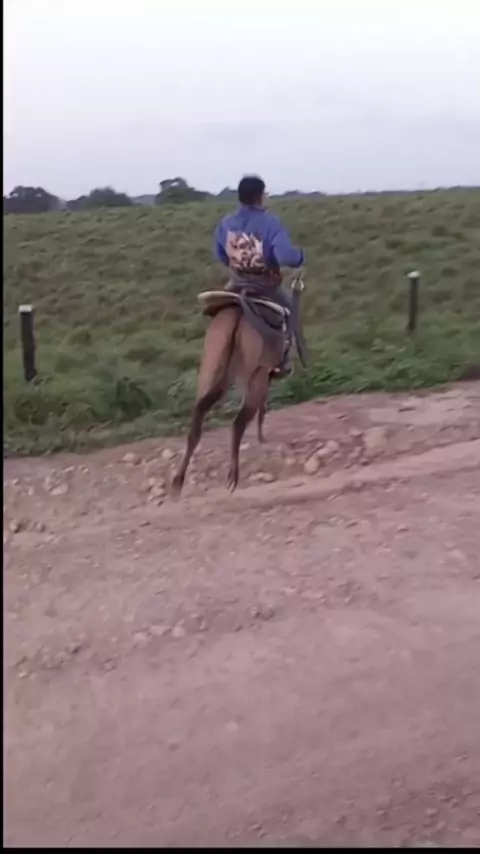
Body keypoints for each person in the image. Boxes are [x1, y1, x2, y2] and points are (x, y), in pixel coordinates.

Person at [213, 175, 305, 376]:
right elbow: (285, 256)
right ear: (259, 197)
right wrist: (299, 257)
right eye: (265, 193)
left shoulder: (225, 223)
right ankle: (283, 362)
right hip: (265, 285)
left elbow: (220, 255)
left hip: (236, 283)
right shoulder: (270, 223)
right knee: (290, 313)